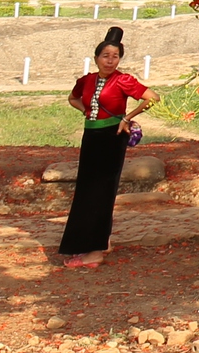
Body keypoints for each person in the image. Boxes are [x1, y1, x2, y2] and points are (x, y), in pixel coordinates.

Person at [59, 27, 151, 268]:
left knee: (101, 191)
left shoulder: (123, 80)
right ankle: (102, 240)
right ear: (96, 57)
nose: (110, 61)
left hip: (112, 136)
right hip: (91, 136)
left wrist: (126, 117)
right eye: (106, 56)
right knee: (87, 191)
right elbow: (73, 99)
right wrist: (88, 111)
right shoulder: (86, 80)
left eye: (115, 56)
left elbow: (152, 97)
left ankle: (94, 251)